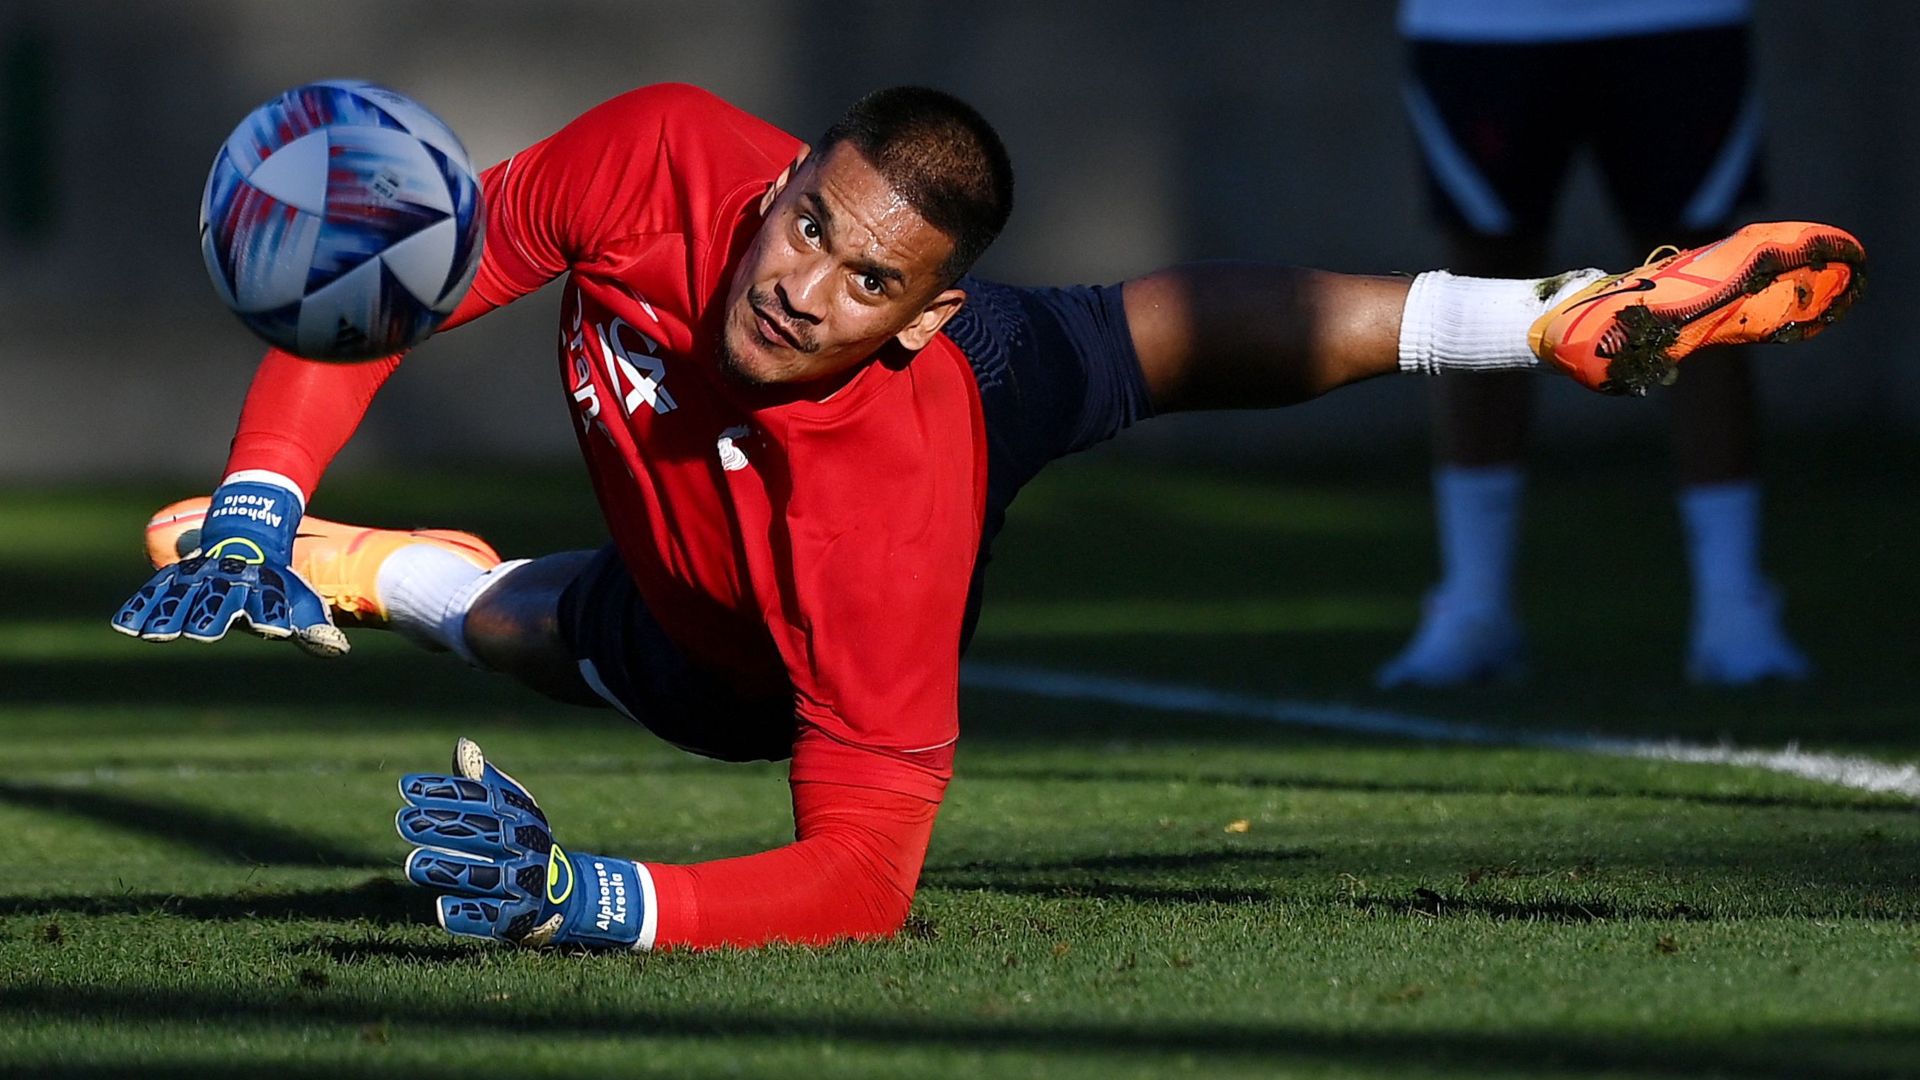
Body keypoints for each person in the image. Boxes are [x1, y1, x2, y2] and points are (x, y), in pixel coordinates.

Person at [111, 83, 1861, 951]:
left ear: (915, 310)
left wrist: (602, 897)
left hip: (770, 613)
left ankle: (406, 586)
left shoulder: (890, 508)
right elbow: (392, 283)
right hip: (783, 466)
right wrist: (267, 495)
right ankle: (1537, 311)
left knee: (536, 635)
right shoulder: (658, 164)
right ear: (780, 178)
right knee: (1143, 332)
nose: (799, 284)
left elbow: (866, 882)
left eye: (861, 275)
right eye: (803, 225)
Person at [1380, 0, 1808, 688]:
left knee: (1706, 284)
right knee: (1481, 278)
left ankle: (1735, 606)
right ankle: (1474, 603)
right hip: (1482, 21)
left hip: (1670, 15)